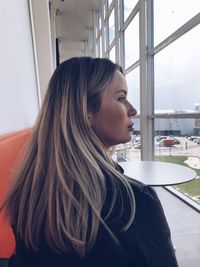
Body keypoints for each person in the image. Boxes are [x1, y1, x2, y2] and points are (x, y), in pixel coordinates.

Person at [3, 57, 178, 266]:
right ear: (86, 111)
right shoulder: (134, 203)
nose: (133, 110)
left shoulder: (28, 190)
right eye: (121, 98)